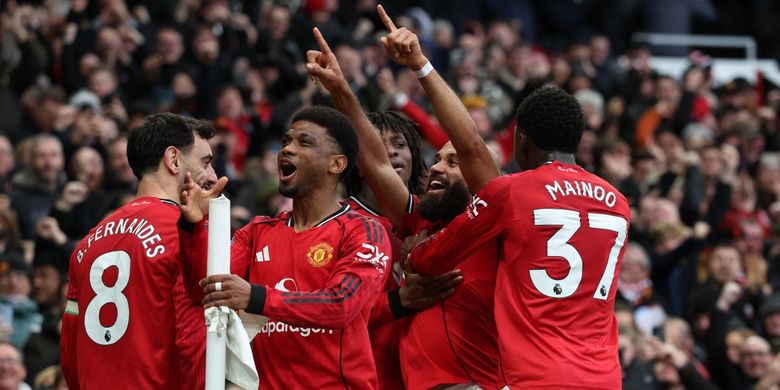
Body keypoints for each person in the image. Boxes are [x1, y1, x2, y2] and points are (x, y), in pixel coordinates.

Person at [307, 4, 503, 385]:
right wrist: (341, 90)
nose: (435, 167)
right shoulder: (418, 220)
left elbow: (472, 145)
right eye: (436, 160)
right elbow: (377, 164)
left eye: (452, 162)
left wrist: (421, 67)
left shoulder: (493, 215)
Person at [409, 85, 631, 388]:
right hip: (604, 377)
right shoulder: (618, 202)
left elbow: (430, 260)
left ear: (521, 138)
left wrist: (415, 251)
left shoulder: (512, 190)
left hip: (536, 376)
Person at [184, 106, 391, 388]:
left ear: (336, 164)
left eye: (304, 142)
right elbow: (202, 288)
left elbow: (342, 304)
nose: (287, 150)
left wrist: (256, 298)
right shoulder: (257, 232)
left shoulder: (364, 230)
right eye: (285, 141)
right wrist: (193, 227)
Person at [60, 113, 225, 389]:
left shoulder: (86, 245)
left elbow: (69, 353)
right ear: (173, 160)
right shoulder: (188, 234)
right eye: (205, 163)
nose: (213, 176)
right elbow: (197, 339)